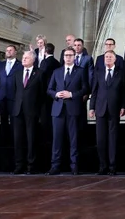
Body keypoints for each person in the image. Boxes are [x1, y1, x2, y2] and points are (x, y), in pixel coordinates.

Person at [47, 47, 88, 175]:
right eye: (66, 55)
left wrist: (71, 94)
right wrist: (56, 94)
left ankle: (74, 166)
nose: (68, 57)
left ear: (74, 57)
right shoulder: (57, 71)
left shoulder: (80, 71)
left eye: (71, 55)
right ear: (63, 57)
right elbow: (49, 89)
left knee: (73, 139)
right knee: (56, 139)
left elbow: (86, 88)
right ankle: (55, 166)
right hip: (58, 109)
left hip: (73, 108)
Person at [90, 50, 125, 176]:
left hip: (114, 109)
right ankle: (102, 166)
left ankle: (112, 166)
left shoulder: (120, 73)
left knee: (113, 139)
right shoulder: (99, 72)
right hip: (100, 109)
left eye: (110, 57)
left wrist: (123, 106)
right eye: (106, 57)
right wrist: (91, 107)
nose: (108, 59)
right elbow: (94, 91)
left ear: (115, 59)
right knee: (100, 139)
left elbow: (123, 91)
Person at [12, 51, 46, 174]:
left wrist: (41, 113)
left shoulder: (40, 73)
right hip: (18, 111)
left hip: (32, 111)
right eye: (23, 57)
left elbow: (43, 95)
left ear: (33, 59)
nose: (24, 59)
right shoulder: (17, 73)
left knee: (31, 139)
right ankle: (19, 165)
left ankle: (31, 166)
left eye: (26, 57)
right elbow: (14, 92)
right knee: (18, 139)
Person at [0, 44, 22, 160]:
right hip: (1, 96)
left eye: (10, 50)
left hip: (14, 97)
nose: (8, 52)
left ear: (15, 52)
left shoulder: (20, 65)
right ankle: (4, 141)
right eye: (7, 50)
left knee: (14, 120)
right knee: (3, 119)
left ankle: (14, 142)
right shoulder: (0, 65)